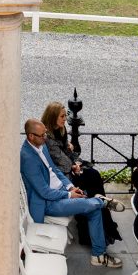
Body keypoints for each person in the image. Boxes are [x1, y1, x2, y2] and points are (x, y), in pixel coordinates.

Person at [21, 119, 122, 268]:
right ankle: (101, 201)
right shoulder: (28, 158)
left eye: (45, 134)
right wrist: (68, 195)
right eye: (42, 135)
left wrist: (70, 187)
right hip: (48, 203)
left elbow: (54, 170)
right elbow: (44, 192)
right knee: (94, 206)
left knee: (93, 209)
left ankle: (98, 255)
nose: (45, 138)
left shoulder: (41, 145)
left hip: (60, 191)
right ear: (31, 136)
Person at [41, 101, 122, 245]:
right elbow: (60, 161)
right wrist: (73, 166)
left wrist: (76, 163)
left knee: (94, 175)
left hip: (70, 169)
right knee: (89, 187)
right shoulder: (47, 138)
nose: (65, 119)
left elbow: (68, 153)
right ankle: (95, 224)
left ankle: (104, 217)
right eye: (62, 116)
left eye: (65, 115)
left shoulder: (61, 130)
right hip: (62, 176)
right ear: (53, 117)